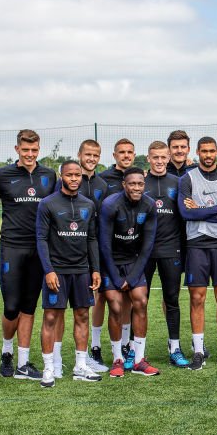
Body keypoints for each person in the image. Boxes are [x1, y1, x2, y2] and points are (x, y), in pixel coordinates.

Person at [0, 129, 56, 380]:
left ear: (39, 150)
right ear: (17, 149)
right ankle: (6, 352)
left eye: (34, 150)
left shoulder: (48, 175)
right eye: (25, 150)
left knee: (29, 306)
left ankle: (23, 362)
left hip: (39, 249)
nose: (30, 154)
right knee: (11, 306)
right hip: (12, 247)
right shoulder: (2, 175)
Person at [35, 160, 103, 386]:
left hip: (82, 271)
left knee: (82, 315)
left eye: (78, 175)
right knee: (51, 317)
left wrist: (95, 269)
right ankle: (48, 368)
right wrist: (49, 270)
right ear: (61, 176)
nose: (74, 178)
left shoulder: (88, 204)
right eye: (69, 175)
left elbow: (92, 239)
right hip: (58, 271)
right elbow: (42, 239)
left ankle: (80, 366)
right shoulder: (47, 204)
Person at [178, 136, 217, 370]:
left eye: (211, 151)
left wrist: (201, 209)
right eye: (203, 151)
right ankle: (198, 350)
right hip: (196, 244)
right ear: (198, 152)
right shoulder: (187, 179)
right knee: (197, 298)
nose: (207, 155)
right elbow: (186, 213)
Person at [99, 167, 159, 378]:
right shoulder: (110, 205)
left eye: (140, 184)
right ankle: (118, 358)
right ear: (124, 185)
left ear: (144, 185)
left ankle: (139, 359)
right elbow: (104, 246)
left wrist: (133, 277)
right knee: (115, 306)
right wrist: (116, 277)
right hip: (111, 262)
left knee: (140, 301)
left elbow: (147, 246)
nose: (136, 187)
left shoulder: (149, 205)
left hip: (134, 261)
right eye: (132, 184)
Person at [143, 141, 190, 368]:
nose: (160, 161)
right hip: (144, 252)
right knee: (140, 301)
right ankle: (136, 350)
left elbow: (185, 215)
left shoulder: (179, 183)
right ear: (148, 158)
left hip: (171, 249)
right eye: (155, 157)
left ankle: (175, 347)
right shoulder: (141, 182)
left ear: (169, 157)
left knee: (172, 300)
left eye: (163, 157)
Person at [89, 139, 134, 372]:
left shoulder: (139, 177)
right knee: (102, 297)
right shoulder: (104, 179)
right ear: (114, 155)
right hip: (105, 246)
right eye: (121, 152)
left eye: (129, 152)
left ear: (134, 155)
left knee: (126, 296)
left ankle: (125, 344)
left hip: (128, 248)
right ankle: (95, 346)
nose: (125, 156)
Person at [71, 139, 111, 374]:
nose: (92, 158)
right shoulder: (66, 180)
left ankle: (91, 351)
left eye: (96, 155)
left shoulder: (102, 185)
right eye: (88, 154)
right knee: (59, 309)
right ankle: (55, 358)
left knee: (92, 301)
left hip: (93, 248)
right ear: (79, 154)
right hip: (67, 252)